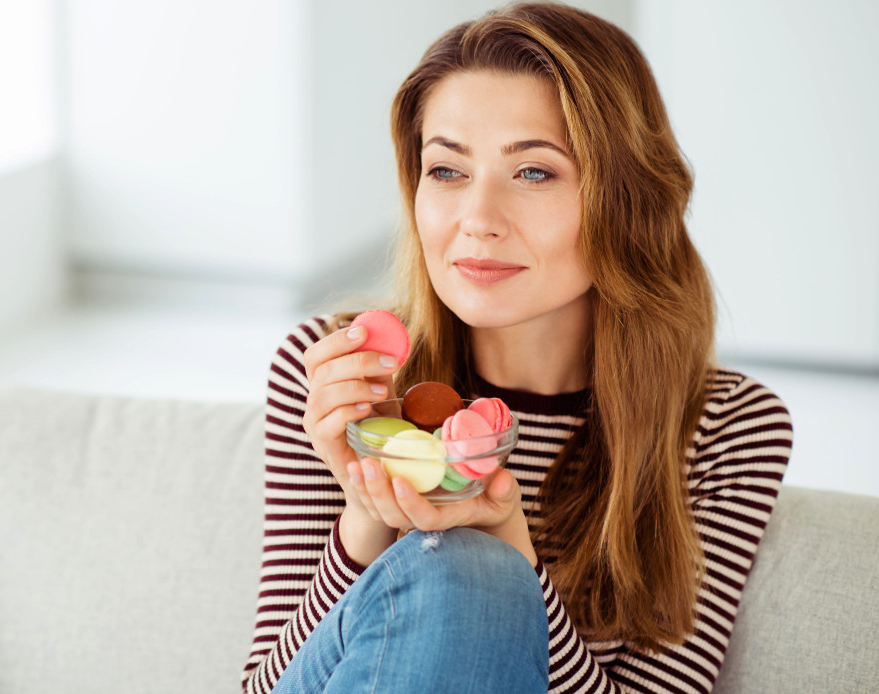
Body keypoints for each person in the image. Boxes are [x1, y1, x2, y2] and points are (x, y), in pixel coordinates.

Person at [240, 3, 793, 693]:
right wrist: (366, 511)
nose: (477, 220)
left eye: (533, 172)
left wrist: (508, 545)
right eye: (446, 170)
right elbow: (262, 686)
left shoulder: (727, 426)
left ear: (628, 199)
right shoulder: (338, 372)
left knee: (474, 569)